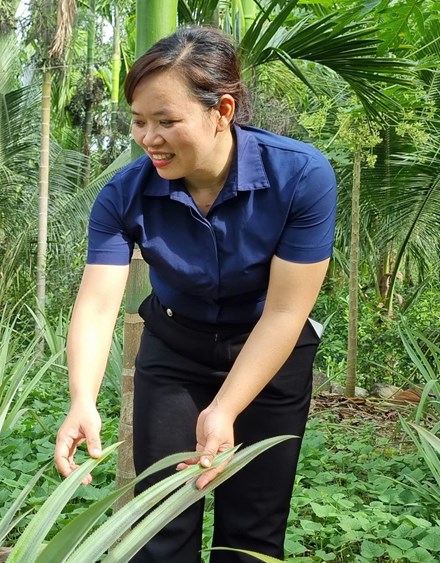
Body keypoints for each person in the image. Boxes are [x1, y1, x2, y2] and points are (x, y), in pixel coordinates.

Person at [53, 26, 335, 561]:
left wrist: (225, 409)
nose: (148, 138)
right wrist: (82, 399)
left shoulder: (300, 176)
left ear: (222, 111)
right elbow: (95, 306)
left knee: (252, 531)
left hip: (271, 355)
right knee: (161, 524)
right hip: (175, 352)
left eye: (167, 121)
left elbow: (285, 313)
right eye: (138, 121)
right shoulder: (124, 194)